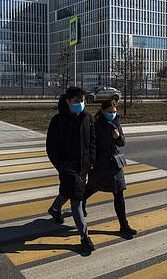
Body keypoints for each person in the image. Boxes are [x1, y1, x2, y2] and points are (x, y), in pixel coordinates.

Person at [46, 86, 96, 253]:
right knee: (77, 200)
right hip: (68, 167)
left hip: (83, 166)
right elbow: (51, 148)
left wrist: (91, 160)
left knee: (69, 191)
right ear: (67, 101)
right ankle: (84, 237)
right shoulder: (58, 121)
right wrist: (62, 167)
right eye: (76, 101)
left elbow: (92, 140)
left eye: (82, 101)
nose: (80, 104)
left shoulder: (87, 117)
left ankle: (54, 209)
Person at [83, 99, 137, 239]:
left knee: (119, 193)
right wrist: (91, 161)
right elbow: (91, 144)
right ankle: (81, 201)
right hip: (100, 163)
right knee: (93, 187)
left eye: (114, 112)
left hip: (114, 162)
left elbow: (122, 142)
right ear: (102, 111)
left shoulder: (116, 123)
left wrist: (118, 137)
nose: (112, 114)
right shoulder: (96, 125)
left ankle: (124, 225)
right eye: (109, 112)